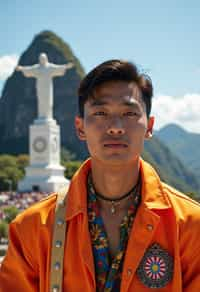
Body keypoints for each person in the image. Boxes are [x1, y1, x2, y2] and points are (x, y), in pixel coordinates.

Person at [0, 59, 200, 291]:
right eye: (100, 112)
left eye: (129, 112)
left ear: (150, 126)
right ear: (80, 127)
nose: (115, 126)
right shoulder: (33, 229)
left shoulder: (189, 226)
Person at [16, 53, 74, 120]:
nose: (42, 60)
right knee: (41, 102)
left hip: (48, 87)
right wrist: (21, 68)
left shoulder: (50, 67)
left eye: (43, 58)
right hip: (40, 87)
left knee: (48, 102)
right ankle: (41, 116)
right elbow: (29, 69)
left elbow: (58, 67)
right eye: (41, 59)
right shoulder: (37, 67)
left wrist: (66, 66)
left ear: (46, 59)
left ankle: (48, 117)